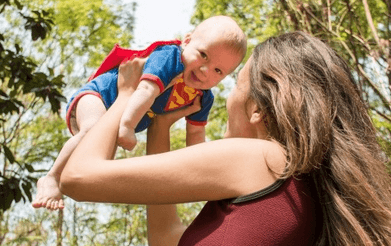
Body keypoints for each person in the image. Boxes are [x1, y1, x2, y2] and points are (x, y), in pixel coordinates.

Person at [59, 31, 391, 245]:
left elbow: (78, 177)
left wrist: (125, 95)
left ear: (259, 108)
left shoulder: (263, 158)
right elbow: (166, 238)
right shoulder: (303, 190)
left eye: (233, 85)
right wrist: (160, 124)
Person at [32, 15, 247, 210]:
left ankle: (71, 182)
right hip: (100, 95)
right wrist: (126, 126)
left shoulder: (203, 97)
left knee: (99, 162)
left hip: (118, 117)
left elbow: (196, 137)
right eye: (203, 55)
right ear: (187, 41)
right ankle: (52, 177)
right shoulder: (170, 58)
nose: (205, 70)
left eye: (218, 70)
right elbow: (145, 90)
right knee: (91, 129)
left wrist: (205, 173)